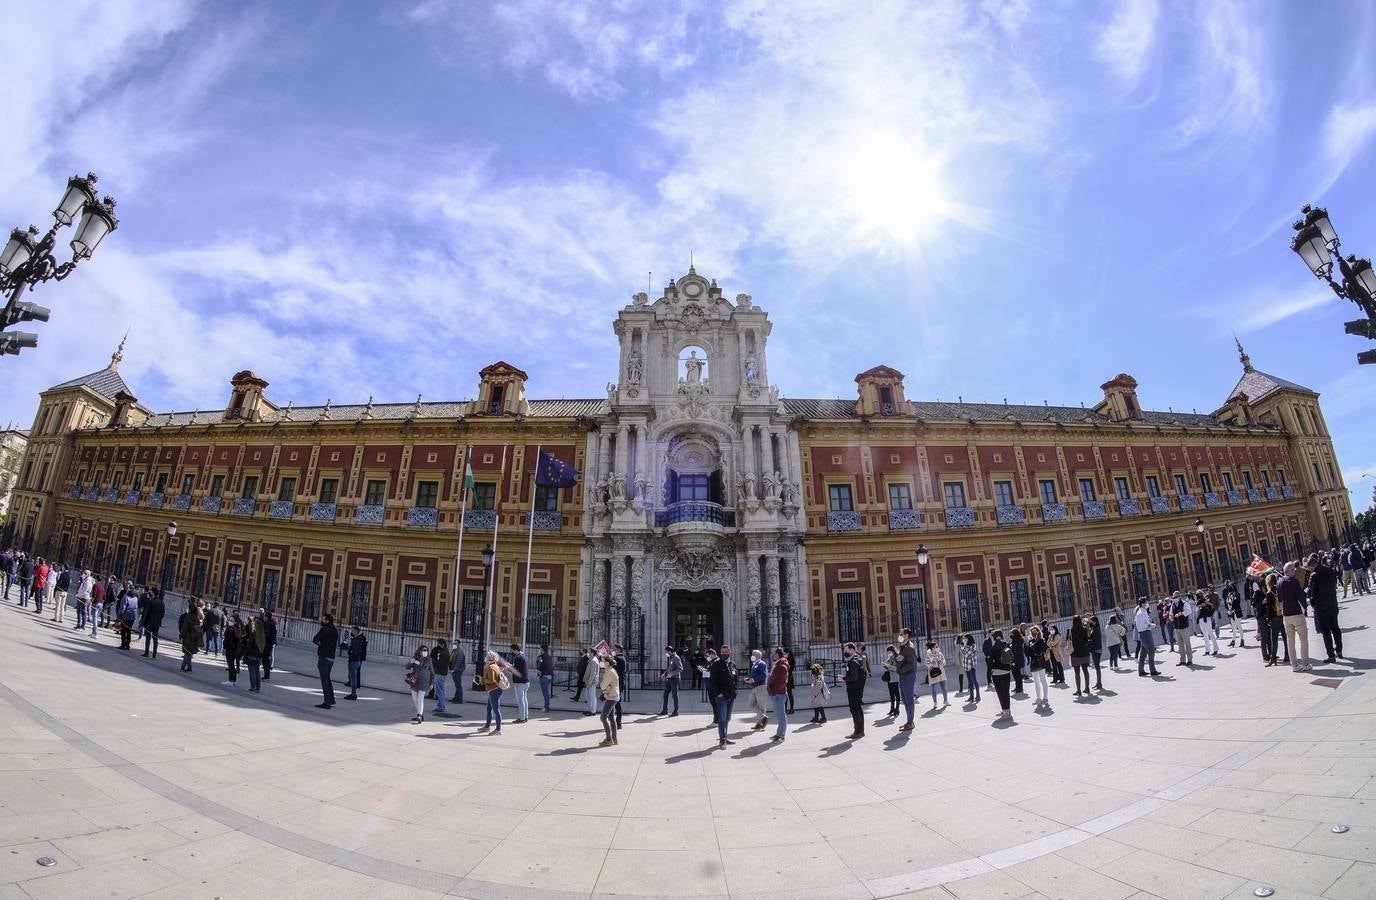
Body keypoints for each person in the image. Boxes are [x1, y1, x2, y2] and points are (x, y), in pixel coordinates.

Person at [1307, 553, 1343, 663]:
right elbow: (1335, 584)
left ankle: (1331, 655)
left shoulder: (1314, 575)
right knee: (1335, 628)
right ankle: (1339, 650)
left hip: (1321, 607)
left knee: (1326, 632)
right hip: (1332, 603)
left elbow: (1310, 592)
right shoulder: (1329, 570)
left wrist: (1311, 600)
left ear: (1312, 566)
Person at [708, 646, 738, 749]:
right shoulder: (716, 664)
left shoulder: (732, 664)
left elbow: (735, 679)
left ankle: (725, 737)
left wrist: (735, 691)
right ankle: (722, 741)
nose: (724, 653)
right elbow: (712, 681)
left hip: (731, 696)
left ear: (730, 652)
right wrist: (718, 693)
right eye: (722, 652)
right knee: (722, 718)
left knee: (727, 718)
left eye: (726, 652)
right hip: (721, 697)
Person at [479, 649, 514, 734]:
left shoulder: (491, 667)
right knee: (489, 709)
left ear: (489, 658)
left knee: (496, 710)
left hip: (494, 690)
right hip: (494, 690)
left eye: (486, 657)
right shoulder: (495, 665)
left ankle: (498, 729)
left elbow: (492, 680)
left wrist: (482, 680)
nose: (485, 658)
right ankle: (487, 726)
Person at [839, 642, 866, 739]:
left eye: (846, 650)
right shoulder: (857, 659)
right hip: (857, 689)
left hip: (854, 689)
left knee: (854, 709)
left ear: (851, 649)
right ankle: (861, 731)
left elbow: (854, 677)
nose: (845, 652)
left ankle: (857, 731)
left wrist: (844, 678)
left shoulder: (853, 662)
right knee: (858, 709)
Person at [312, 613, 339, 708]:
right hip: (332, 658)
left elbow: (315, 639)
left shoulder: (324, 629)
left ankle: (327, 702)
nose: (322, 621)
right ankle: (331, 699)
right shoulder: (335, 630)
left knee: (324, 680)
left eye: (323, 619)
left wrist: (321, 645)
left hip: (324, 657)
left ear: (327, 621)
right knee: (328, 679)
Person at [895, 628, 919, 729]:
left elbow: (911, 665)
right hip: (903, 675)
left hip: (908, 675)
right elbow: (902, 660)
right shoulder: (903, 646)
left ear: (906, 635)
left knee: (909, 700)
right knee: (904, 699)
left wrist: (899, 668)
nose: (899, 635)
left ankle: (910, 722)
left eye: (901, 634)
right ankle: (909, 721)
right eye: (899, 633)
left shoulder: (909, 647)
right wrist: (898, 660)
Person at [766, 646, 790, 742]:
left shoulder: (782, 666)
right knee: (779, 715)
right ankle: (778, 734)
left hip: (778, 694)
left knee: (781, 716)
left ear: (777, 654)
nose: (773, 655)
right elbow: (772, 677)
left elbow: (781, 681)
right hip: (775, 693)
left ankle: (782, 736)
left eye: (774, 653)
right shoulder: (777, 664)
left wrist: (773, 691)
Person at [990, 630, 1014, 721]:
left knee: (1000, 692)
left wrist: (990, 671)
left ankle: (1004, 710)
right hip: (1006, 671)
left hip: (997, 672)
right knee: (1006, 691)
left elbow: (990, 660)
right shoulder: (1006, 644)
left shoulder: (994, 647)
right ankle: (1008, 710)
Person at [597, 654, 620, 747]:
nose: (601, 663)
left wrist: (603, 686)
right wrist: (604, 686)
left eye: (602, 661)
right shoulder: (609, 670)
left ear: (607, 662)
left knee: (603, 717)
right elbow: (605, 684)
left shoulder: (609, 671)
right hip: (613, 695)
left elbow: (602, 685)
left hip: (611, 697)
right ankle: (614, 739)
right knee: (611, 718)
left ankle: (609, 739)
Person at [406, 646, 433, 725]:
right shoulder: (415, 658)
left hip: (424, 683)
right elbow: (406, 667)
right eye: (424, 650)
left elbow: (432, 673)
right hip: (415, 682)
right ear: (420, 651)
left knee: (420, 700)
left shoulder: (429, 660)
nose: (425, 652)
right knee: (415, 700)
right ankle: (420, 714)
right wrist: (411, 662)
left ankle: (419, 715)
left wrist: (431, 683)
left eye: (426, 650)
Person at [1135, 597, 1161, 677]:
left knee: (1143, 653)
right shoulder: (1140, 613)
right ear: (1142, 603)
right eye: (1146, 602)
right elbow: (1142, 625)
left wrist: (1149, 624)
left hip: (1145, 633)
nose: (1147, 604)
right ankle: (1152, 670)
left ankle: (1141, 670)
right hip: (1145, 633)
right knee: (1151, 651)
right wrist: (1151, 625)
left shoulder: (1143, 611)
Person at [1026, 625, 1050, 708]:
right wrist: (1031, 648)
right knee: (1036, 681)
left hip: (1040, 662)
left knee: (1042, 679)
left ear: (1038, 631)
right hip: (1033, 662)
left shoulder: (1041, 640)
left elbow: (1042, 650)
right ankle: (1038, 698)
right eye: (1032, 631)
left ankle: (1045, 697)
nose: (1033, 633)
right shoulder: (1030, 641)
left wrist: (1034, 649)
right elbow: (1028, 653)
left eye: (1035, 631)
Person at [179, 599, 204, 672]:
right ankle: (188, 668)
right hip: (195, 637)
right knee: (189, 653)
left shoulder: (188, 617)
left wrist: (181, 636)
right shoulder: (196, 618)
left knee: (187, 653)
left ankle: (183, 667)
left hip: (188, 637)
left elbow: (184, 628)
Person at [1069, 615, 1092, 696]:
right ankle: (1087, 688)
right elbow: (1087, 639)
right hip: (1084, 652)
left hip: (1075, 653)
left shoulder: (1070, 631)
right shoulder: (1084, 629)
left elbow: (1068, 641)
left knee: (1077, 673)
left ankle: (1078, 690)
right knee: (1085, 670)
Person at [748, 649, 769, 731]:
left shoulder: (761, 664)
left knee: (761, 706)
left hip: (761, 686)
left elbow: (763, 676)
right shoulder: (755, 664)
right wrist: (749, 679)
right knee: (751, 704)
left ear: (757, 656)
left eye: (753, 654)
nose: (751, 656)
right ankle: (763, 718)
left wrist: (753, 680)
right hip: (755, 687)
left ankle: (760, 724)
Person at [344, 626, 367, 700]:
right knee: (352, 677)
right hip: (356, 661)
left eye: (353, 631)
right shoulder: (358, 640)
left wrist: (350, 652)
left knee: (353, 678)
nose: (351, 632)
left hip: (353, 661)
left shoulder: (356, 640)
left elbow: (355, 652)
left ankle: (353, 694)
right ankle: (353, 693)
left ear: (356, 632)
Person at [243, 616, 265, 692]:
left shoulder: (253, 634)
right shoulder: (262, 635)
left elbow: (248, 645)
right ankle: (258, 687)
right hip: (259, 655)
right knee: (257, 671)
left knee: (252, 671)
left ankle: (252, 687)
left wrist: (245, 654)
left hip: (252, 655)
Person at [509, 643, 530, 724]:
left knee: (520, 701)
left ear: (515, 650)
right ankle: (525, 716)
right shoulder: (524, 656)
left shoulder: (517, 658)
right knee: (524, 699)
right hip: (526, 681)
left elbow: (514, 670)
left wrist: (508, 667)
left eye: (512, 650)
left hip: (520, 682)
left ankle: (521, 718)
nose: (511, 652)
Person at [141, 587, 165, 658]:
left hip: (149, 622)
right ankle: (154, 653)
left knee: (148, 638)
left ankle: (146, 652)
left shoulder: (150, 601)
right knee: (155, 638)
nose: (150, 593)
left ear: (153, 593)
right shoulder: (161, 602)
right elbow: (163, 614)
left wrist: (143, 622)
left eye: (151, 591)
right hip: (157, 623)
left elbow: (146, 613)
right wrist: (159, 619)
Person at [1172, 592, 1194, 667]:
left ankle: (1190, 659)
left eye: (1176, 597)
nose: (1175, 598)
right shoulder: (1173, 604)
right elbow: (1171, 613)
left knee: (1187, 643)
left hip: (1184, 626)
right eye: (1174, 597)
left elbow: (1189, 611)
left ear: (1179, 596)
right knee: (1180, 644)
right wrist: (1171, 616)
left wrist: (1181, 613)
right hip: (1176, 627)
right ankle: (1182, 660)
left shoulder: (1184, 603)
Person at [659, 645, 682, 716]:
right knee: (665, 694)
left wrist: (671, 674)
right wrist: (665, 673)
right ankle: (665, 710)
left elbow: (680, 668)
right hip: (670, 679)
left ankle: (676, 711)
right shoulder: (671, 658)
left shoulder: (676, 658)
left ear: (670, 651)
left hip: (675, 679)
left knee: (674, 695)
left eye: (666, 652)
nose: (666, 653)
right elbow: (670, 668)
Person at [431, 638, 451, 717]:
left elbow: (440, 663)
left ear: (441, 644)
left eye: (438, 643)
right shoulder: (443, 651)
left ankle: (441, 706)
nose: (437, 645)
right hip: (441, 672)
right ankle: (441, 705)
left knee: (440, 690)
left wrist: (433, 661)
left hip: (441, 673)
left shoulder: (444, 652)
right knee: (440, 690)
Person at [957, 634, 980, 703]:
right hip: (966, 665)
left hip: (971, 665)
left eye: (964, 638)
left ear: (968, 639)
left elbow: (968, 655)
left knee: (974, 681)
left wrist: (963, 648)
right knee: (970, 682)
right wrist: (963, 647)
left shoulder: (972, 645)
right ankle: (971, 696)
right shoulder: (965, 646)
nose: (963, 639)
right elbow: (963, 654)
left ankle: (978, 695)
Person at [926, 641, 948, 707]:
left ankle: (946, 701)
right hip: (933, 673)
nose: (938, 648)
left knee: (944, 687)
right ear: (932, 648)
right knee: (934, 688)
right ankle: (935, 703)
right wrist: (932, 662)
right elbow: (927, 664)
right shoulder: (928, 655)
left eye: (938, 646)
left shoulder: (940, 654)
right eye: (936, 646)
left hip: (941, 672)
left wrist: (940, 661)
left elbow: (944, 663)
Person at [116, 584, 138, 650]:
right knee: (128, 631)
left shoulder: (126, 597)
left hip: (125, 616)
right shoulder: (135, 598)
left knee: (123, 631)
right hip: (132, 617)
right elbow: (136, 607)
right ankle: (127, 645)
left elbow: (122, 608)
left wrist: (119, 615)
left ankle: (123, 644)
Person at [222, 612, 242, 686]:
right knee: (231, 665)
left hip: (231, 648)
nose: (230, 621)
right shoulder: (237, 628)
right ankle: (233, 680)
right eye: (229, 620)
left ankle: (231, 680)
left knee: (230, 665)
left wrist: (224, 648)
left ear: (235, 621)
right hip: (234, 649)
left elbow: (228, 639)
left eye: (231, 620)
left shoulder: (232, 629)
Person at [881, 645, 900, 718]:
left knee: (897, 694)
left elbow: (897, 668)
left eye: (890, 652)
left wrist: (888, 666)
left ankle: (897, 709)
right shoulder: (889, 657)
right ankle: (892, 709)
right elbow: (887, 665)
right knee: (891, 694)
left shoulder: (898, 657)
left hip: (895, 678)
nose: (889, 653)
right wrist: (884, 665)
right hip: (889, 678)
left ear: (893, 651)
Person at [1198, 591, 1220, 656]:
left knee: (1210, 633)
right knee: (1205, 635)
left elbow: (1212, 606)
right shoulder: (1198, 602)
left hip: (1206, 618)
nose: (1197, 596)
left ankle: (1216, 649)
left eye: (1198, 595)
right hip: (1201, 619)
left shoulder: (1205, 600)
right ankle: (1207, 650)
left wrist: (1205, 608)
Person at [537, 642, 556, 713]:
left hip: (544, 676)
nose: (539, 650)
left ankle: (546, 707)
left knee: (545, 693)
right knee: (546, 693)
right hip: (549, 676)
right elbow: (551, 665)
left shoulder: (542, 657)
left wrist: (540, 671)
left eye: (540, 648)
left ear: (542, 649)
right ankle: (546, 706)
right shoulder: (549, 656)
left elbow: (540, 665)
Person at [581, 648, 600, 716]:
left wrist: (589, 683)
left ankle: (593, 711)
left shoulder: (594, 661)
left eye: (589, 652)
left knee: (592, 696)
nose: (588, 653)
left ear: (592, 653)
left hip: (591, 682)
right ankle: (590, 709)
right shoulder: (592, 660)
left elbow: (593, 673)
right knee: (588, 695)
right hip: (589, 681)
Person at [1010, 624, 1026, 695]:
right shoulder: (1016, 639)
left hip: (1016, 660)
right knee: (1016, 674)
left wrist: (1013, 662)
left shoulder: (1016, 640)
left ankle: (1019, 688)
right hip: (1017, 659)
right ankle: (1018, 687)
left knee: (1017, 674)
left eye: (1011, 633)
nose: (1010, 635)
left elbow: (1015, 651)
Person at [261, 611, 277, 680]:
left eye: (265, 616)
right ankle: (266, 675)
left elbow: (267, 634)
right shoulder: (271, 624)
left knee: (265, 660)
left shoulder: (268, 624)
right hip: (268, 644)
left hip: (267, 644)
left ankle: (267, 676)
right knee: (265, 660)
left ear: (267, 617)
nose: (264, 617)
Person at [449, 640, 466, 704]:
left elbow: (458, 662)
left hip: (457, 671)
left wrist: (454, 670)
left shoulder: (459, 652)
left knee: (458, 685)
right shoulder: (454, 651)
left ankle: (459, 699)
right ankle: (456, 697)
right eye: (454, 643)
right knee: (457, 684)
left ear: (459, 644)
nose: (454, 644)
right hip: (454, 670)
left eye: (456, 643)